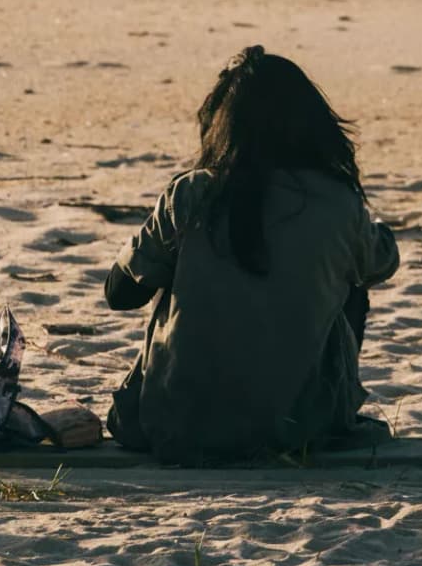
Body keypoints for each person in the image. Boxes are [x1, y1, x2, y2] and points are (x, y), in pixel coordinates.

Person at [104, 46, 399, 461]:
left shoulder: (192, 193)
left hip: (177, 426)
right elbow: (383, 263)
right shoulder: (338, 202)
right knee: (352, 285)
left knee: (174, 271)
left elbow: (119, 294)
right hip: (299, 427)